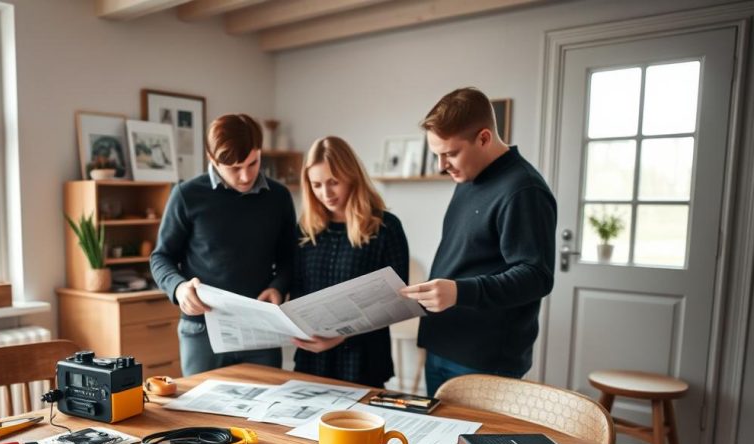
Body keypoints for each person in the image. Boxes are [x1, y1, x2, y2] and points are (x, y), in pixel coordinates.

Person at [401, 87, 556, 397]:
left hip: (484, 359)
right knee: (441, 443)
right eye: (437, 154)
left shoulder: (523, 189)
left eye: (450, 153)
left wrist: (459, 292)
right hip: (442, 343)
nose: (442, 165)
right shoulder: (469, 176)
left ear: (484, 138)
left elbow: (536, 277)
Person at [150, 113, 296, 376]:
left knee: (268, 413)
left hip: (261, 329)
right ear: (212, 159)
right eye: (234, 168)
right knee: (202, 413)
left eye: (253, 163)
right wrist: (179, 288)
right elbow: (161, 257)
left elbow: (289, 257)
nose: (244, 176)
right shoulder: (186, 195)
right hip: (202, 330)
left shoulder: (279, 197)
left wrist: (278, 287)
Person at [291, 136, 409, 388]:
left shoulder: (385, 228)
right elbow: (298, 287)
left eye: (333, 182)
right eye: (317, 185)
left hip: (364, 361)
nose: (326, 193)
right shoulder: (305, 231)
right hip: (312, 360)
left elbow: (397, 301)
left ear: (352, 176)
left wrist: (341, 337)